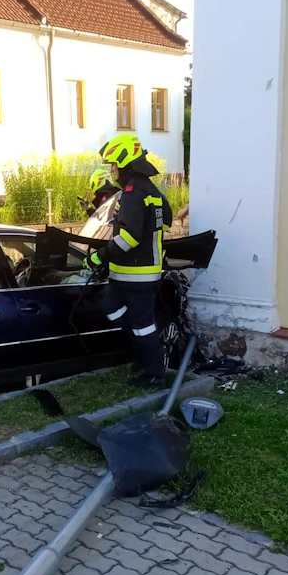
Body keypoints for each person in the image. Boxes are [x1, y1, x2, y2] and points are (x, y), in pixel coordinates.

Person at [84, 134, 172, 388]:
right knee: (111, 307)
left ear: (124, 163)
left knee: (142, 325)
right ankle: (143, 354)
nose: (112, 170)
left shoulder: (133, 192)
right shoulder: (151, 190)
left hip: (138, 274)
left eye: (113, 164)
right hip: (131, 273)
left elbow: (130, 237)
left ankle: (154, 373)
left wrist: (99, 256)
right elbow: (166, 219)